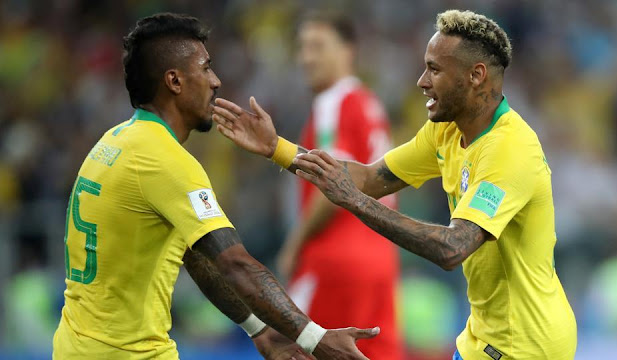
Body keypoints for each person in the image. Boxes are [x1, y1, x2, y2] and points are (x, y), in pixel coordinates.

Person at [214, 9, 577, 360]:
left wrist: (355, 203)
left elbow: (452, 248)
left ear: (476, 75)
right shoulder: (446, 130)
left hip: (526, 346)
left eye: (434, 70)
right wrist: (276, 148)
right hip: (482, 336)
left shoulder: (509, 150)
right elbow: (370, 178)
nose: (421, 81)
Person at [52, 13, 379, 360]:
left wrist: (262, 330)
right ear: (175, 81)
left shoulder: (115, 141)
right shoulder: (165, 160)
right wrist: (315, 338)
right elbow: (234, 263)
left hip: (75, 347)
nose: (217, 81)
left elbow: (197, 256)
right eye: (206, 68)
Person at [276, 12, 403, 360]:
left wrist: (294, 246)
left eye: (318, 46)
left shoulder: (335, 101)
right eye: (302, 48)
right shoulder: (369, 103)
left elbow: (333, 183)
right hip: (379, 258)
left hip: (336, 259)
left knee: (289, 348)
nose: (306, 58)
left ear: (348, 50)